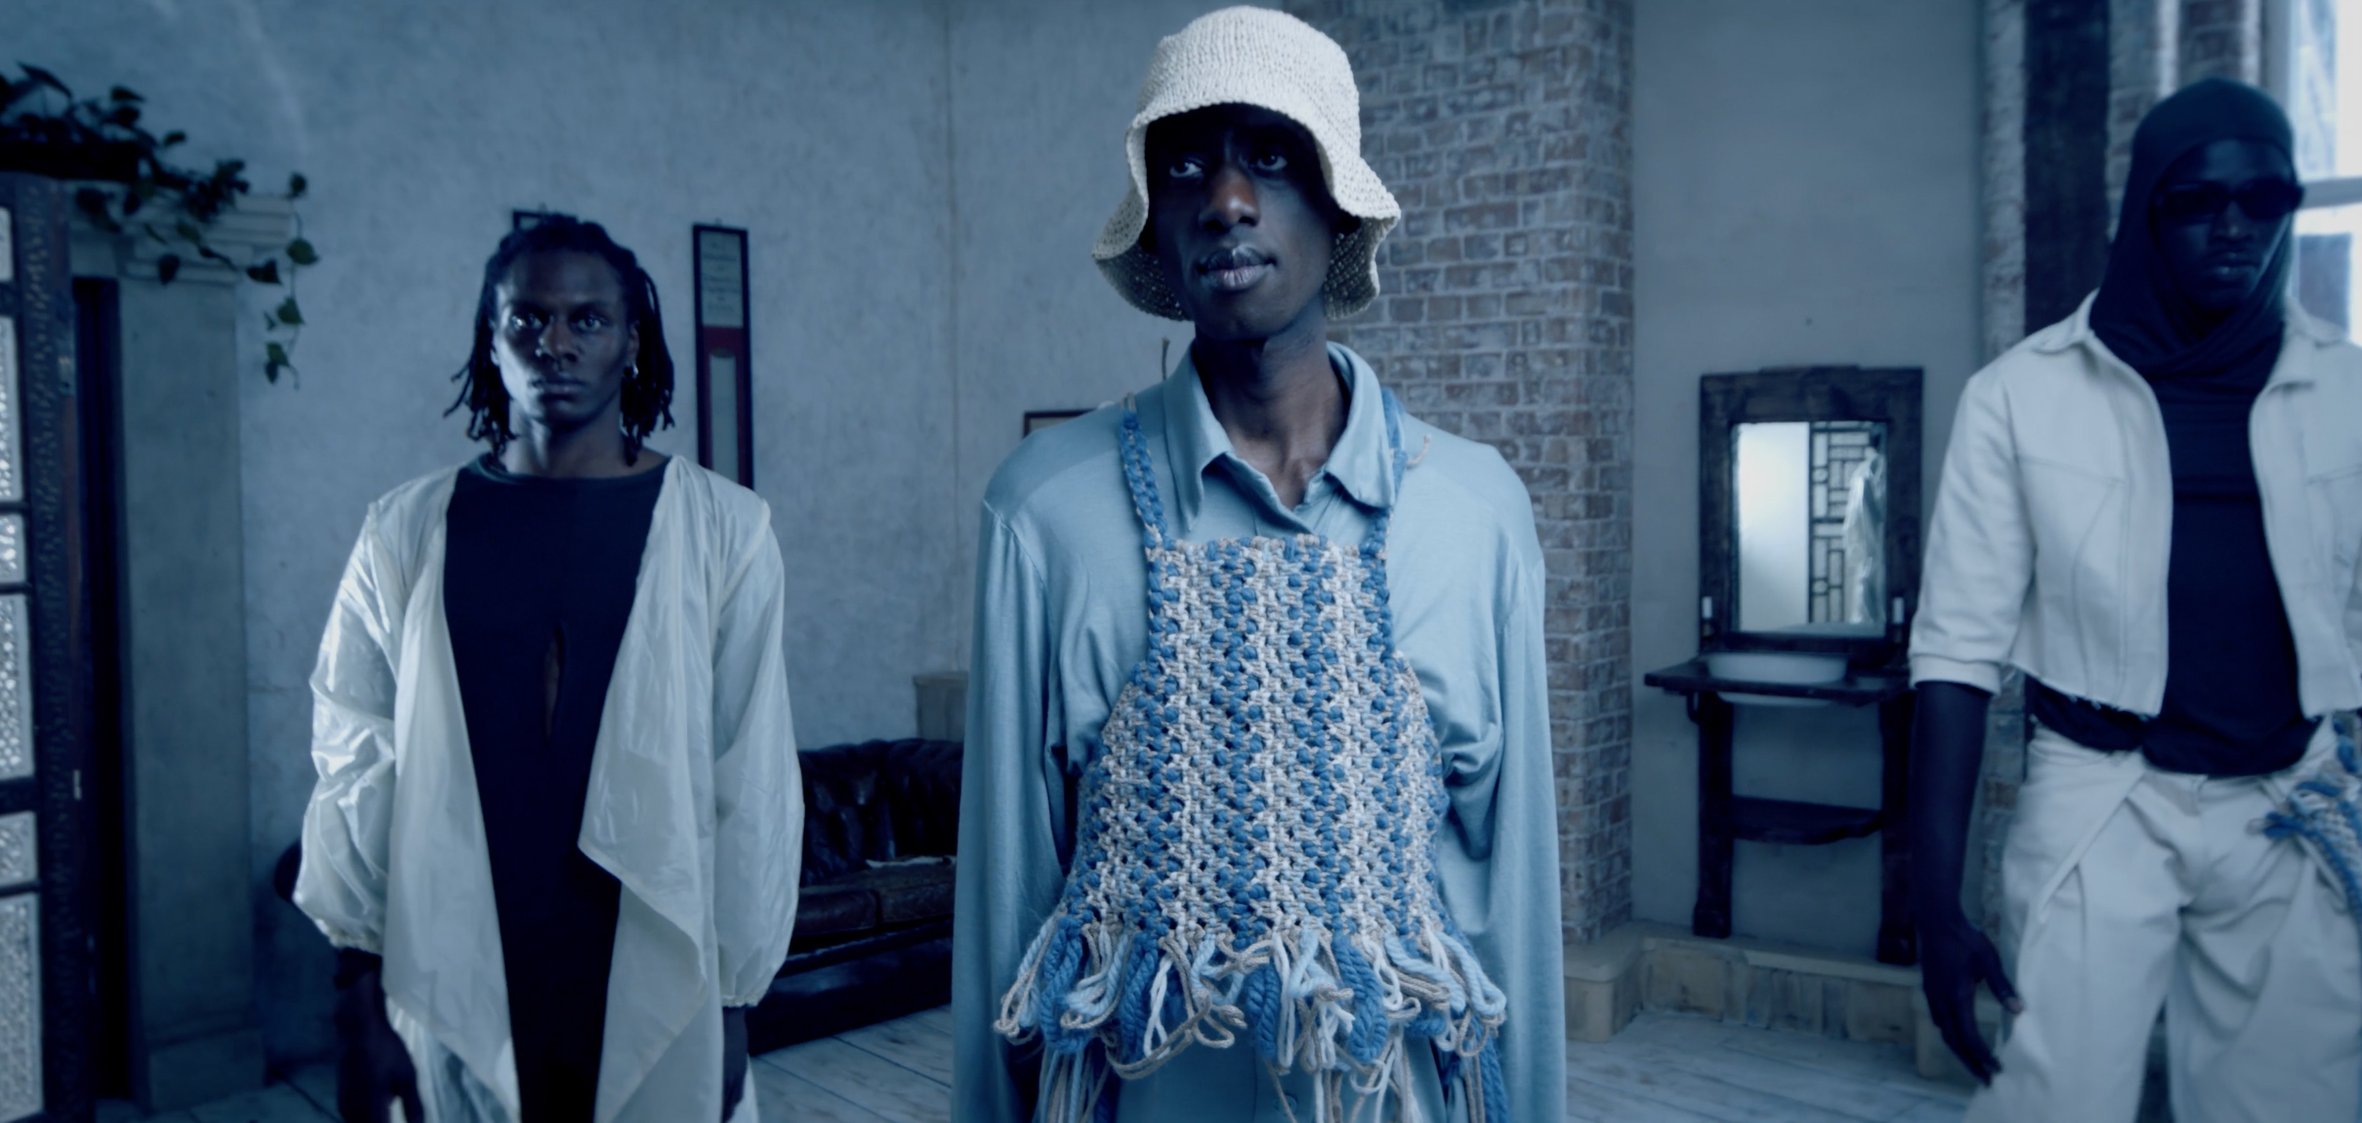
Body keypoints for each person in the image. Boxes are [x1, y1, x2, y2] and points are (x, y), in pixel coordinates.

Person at [951, 9, 1564, 1121]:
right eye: (1185, 164)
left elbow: (1510, 912)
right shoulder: (1043, 514)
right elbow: (1006, 915)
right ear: (1156, 223)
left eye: (1272, 157)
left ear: (1338, 208)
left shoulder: (1475, 516)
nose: (1227, 199)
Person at [1907, 79, 2362, 1123]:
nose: (2234, 225)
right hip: (2100, 791)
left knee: (2293, 1108)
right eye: (2198, 200)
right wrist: (1934, 906)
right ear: (2146, 211)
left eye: (2264, 198)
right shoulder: (2020, 396)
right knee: (2053, 1102)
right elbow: (1955, 655)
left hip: (2291, 801)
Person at [292, 215, 802, 1122]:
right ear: (491, 339)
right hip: (460, 960)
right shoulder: (405, 531)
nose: (554, 343)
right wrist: (355, 997)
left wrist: (733, 1006)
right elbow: (355, 760)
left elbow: (750, 779)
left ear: (631, 340)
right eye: (527, 319)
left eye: (587, 319)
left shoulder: (724, 530)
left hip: (649, 961)